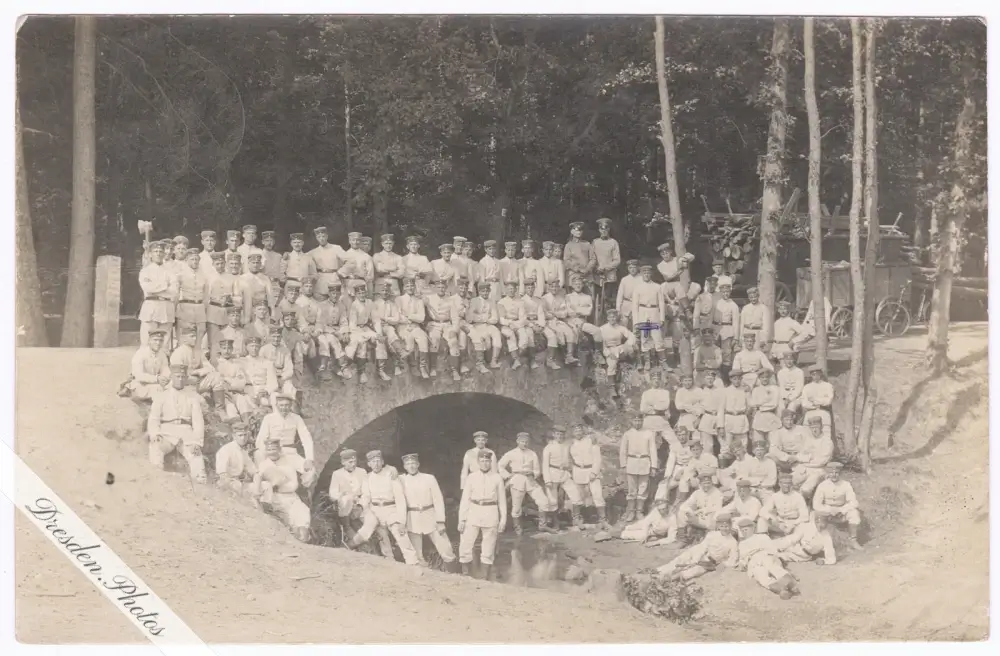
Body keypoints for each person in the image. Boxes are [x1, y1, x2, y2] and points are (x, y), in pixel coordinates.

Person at [357, 450, 421, 564]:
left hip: (391, 509)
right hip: (376, 510)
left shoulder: (391, 474)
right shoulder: (367, 477)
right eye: (373, 462)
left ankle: (412, 561)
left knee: (400, 533)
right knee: (382, 536)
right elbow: (366, 496)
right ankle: (389, 561)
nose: (376, 464)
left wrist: (402, 520)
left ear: (382, 462)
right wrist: (361, 506)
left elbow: (400, 498)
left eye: (378, 461)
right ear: (369, 464)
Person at [147, 364, 207, 483]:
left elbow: (198, 421)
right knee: (156, 447)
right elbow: (154, 418)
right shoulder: (162, 395)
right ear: (171, 377)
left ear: (186, 378)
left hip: (186, 432)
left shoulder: (192, 397)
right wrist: (155, 433)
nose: (180, 379)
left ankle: (200, 480)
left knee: (195, 454)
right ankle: (156, 477)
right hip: (166, 431)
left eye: (183, 377)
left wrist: (197, 442)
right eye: (177, 376)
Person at [400, 453, 456, 570]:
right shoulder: (401, 480)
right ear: (404, 467)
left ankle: (453, 571)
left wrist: (440, 521)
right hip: (412, 517)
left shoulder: (429, 478)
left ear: (418, 464)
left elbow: (438, 500)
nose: (411, 466)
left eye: (413, 463)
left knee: (445, 546)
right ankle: (422, 574)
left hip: (430, 514)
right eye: (408, 464)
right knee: (417, 552)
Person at [458, 449, 508, 579]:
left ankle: (485, 578)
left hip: (490, 511)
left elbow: (502, 501)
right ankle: (466, 575)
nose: (485, 463)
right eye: (482, 461)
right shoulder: (471, 477)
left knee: (489, 545)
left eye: (487, 461)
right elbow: (465, 499)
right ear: (478, 462)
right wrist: (461, 519)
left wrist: (503, 519)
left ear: (491, 462)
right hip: (474, 510)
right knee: (466, 543)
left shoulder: (497, 478)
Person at [252, 437, 312, 542]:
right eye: (269, 450)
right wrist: (258, 492)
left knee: (303, 515)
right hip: (277, 498)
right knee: (288, 522)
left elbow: (307, 468)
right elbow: (258, 478)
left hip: (292, 496)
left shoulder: (289, 460)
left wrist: (307, 474)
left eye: (274, 449)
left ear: (279, 449)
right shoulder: (264, 465)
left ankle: (304, 541)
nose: (271, 452)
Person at [655, 513, 738, 582]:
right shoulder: (712, 535)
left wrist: (724, 564)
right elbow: (703, 547)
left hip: (711, 564)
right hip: (702, 555)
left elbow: (733, 559)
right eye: (722, 526)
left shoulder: (732, 542)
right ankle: (660, 571)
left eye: (726, 526)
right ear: (718, 526)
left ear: (730, 525)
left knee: (694, 571)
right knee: (683, 558)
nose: (724, 529)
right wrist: (697, 559)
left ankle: (670, 579)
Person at [253, 392, 316, 482]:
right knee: (259, 456)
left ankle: (301, 488)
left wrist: (309, 459)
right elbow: (261, 440)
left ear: (290, 406)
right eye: (281, 405)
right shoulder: (269, 418)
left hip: (290, 453)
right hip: (273, 453)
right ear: (276, 405)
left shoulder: (296, 418)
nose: (284, 408)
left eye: (287, 405)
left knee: (311, 470)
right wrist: (268, 455)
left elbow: (306, 438)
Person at [498, 432, 550, 535]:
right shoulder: (511, 453)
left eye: (526, 442)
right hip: (517, 480)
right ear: (517, 441)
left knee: (543, 501)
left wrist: (533, 474)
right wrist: (507, 475)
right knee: (516, 506)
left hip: (530, 480)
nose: (524, 444)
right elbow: (500, 465)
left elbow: (537, 470)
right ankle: (518, 528)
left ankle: (542, 525)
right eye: (522, 441)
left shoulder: (532, 453)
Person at [734, 517, 800, 600]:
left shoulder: (762, 537)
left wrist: (772, 556)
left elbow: (772, 549)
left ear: (753, 528)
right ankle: (781, 590)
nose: (744, 532)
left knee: (773, 567)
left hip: (765, 555)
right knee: (760, 575)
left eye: (746, 530)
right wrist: (742, 564)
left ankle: (791, 584)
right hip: (753, 561)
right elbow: (743, 558)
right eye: (742, 531)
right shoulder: (742, 544)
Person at [811, 461, 863, 550]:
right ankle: (821, 542)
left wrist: (842, 510)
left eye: (836, 473)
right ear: (828, 473)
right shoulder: (822, 485)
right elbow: (816, 504)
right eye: (831, 473)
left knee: (854, 513)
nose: (834, 475)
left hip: (840, 513)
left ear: (840, 474)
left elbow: (854, 502)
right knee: (815, 514)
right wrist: (829, 510)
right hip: (827, 514)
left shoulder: (846, 484)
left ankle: (853, 541)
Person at [170, 325, 225, 407]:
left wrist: (197, 372)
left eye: (195, 336)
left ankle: (220, 408)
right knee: (201, 404)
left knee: (217, 377)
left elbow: (210, 368)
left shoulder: (197, 351)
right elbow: (177, 377)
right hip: (184, 385)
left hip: (197, 381)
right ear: (184, 338)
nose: (195, 338)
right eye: (191, 336)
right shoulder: (178, 353)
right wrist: (194, 375)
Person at [138, 241, 178, 349]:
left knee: (164, 344)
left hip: (166, 307)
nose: (158, 253)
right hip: (151, 306)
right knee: (147, 342)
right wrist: (165, 285)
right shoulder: (145, 271)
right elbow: (147, 288)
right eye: (155, 251)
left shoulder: (170, 272)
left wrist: (156, 286)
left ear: (164, 254)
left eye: (161, 251)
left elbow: (174, 291)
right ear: (150, 254)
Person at [619, 414, 659, 522]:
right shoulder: (627, 434)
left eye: (639, 420)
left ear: (642, 421)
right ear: (632, 421)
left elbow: (652, 450)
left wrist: (653, 466)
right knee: (631, 489)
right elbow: (623, 451)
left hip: (644, 462)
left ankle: (639, 511)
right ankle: (631, 511)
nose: (637, 423)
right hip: (631, 462)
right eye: (635, 420)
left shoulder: (648, 433)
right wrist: (623, 465)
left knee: (643, 488)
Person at [542, 425, 583, 528]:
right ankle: (555, 522)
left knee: (576, 495)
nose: (560, 436)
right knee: (553, 500)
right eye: (557, 434)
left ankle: (576, 519)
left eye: (561, 434)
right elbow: (545, 465)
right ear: (554, 435)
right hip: (552, 473)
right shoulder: (548, 447)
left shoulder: (566, 446)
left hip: (564, 474)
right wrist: (547, 480)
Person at [570, 424, 609, 529]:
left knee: (597, 495)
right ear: (572, 433)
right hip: (578, 471)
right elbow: (570, 459)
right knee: (577, 496)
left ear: (583, 431)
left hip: (591, 470)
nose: (578, 433)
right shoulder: (571, 444)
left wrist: (594, 472)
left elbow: (597, 458)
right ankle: (577, 519)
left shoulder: (591, 441)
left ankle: (603, 520)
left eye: (579, 430)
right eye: (575, 431)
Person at [425, 278, 462, 379]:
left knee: (453, 342)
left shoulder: (450, 300)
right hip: (434, 324)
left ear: (446, 288)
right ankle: (433, 368)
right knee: (434, 340)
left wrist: (454, 330)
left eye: (443, 287)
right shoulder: (429, 298)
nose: (441, 289)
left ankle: (454, 370)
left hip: (447, 324)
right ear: (435, 288)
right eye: (439, 287)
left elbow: (455, 317)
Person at [372, 280, 409, 378]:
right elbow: (374, 318)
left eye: (386, 291)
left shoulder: (392, 304)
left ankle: (399, 354)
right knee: (381, 343)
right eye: (383, 290)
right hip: (375, 327)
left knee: (391, 332)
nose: (385, 292)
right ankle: (381, 369)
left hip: (387, 326)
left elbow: (396, 319)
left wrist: (386, 319)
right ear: (379, 292)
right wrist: (381, 323)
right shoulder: (374, 304)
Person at [395, 277, 431, 378]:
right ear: (404, 288)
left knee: (423, 339)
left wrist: (409, 316)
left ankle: (422, 366)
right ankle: (412, 366)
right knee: (408, 340)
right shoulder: (399, 299)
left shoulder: (418, 301)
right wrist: (408, 320)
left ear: (414, 287)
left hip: (415, 326)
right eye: (407, 286)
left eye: (412, 286)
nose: (410, 288)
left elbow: (421, 318)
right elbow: (398, 316)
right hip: (403, 326)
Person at [315, 283, 352, 380]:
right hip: (324, 330)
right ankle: (338, 366)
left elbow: (343, 321)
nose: (335, 296)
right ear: (329, 294)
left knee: (346, 340)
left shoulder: (341, 306)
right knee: (332, 341)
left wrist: (345, 332)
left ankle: (338, 367)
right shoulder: (322, 306)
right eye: (333, 293)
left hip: (337, 329)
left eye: (337, 294)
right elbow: (320, 322)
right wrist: (334, 332)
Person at [633, 264, 666, 371]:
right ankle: (647, 362)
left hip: (654, 313)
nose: (646, 275)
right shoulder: (638, 288)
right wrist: (636, 321)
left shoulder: (657, 287)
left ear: (651, 274)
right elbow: (635, 305)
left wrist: (662, 318)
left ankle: (663, 362)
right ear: (641, 274)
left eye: (648, 273)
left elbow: (661, 303)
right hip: (643, 313)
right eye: (644, 273)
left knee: (658, 338)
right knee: (645, 337)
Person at [757, 471, 809, 536]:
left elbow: (805, 516)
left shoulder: (798, 496)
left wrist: (793, 524)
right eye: (784, 483)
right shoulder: (775, 496)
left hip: (794, 523)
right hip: (780, 523)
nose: (787, 485)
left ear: (792, 484)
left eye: (789, 483)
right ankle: (762, 539)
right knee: (762, 520)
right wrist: (772, 519)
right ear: (779, 484)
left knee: (804, 526)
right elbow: (763, 511)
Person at [260, 325, 302, 404]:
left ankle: (290, 408)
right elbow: (260, 367)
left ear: (281, 337)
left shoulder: (285, 350)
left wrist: (282, 378)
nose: (276, 339)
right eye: (274, 336)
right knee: (269, 393)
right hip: (268, 378)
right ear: (269, 336)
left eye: (278, 337)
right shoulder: (264, 349)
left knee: (289, 388)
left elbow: (289, 368)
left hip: (281, 377)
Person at [794, 416, 835, 498]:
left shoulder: (827, 441)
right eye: (812, 428)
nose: (814, 430)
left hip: (819, 471)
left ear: (821, 427)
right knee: (788, 482)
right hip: (804, 469)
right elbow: (799, 455)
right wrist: (809, 458)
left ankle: (805, 502)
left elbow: (821, 461)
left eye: (816, 427)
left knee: (805, 489)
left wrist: (805, 460)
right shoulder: (808, 440)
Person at [125, 329, 171, 400]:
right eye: (155, 340)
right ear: (149, 341)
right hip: (140, 385)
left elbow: (165, 370)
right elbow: (138, 376)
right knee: (160, 391)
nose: (158, 343)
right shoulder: (140, 354)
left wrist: (164, 378)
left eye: (161, 340)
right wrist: (157, 379)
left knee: (173, 387)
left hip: (155, 384)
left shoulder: (162, 354)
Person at [468, 281, 503, 371]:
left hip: (488, 324)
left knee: (496, 333)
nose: (485, 293)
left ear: (489, 291)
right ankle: (480, 362)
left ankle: (494, 361)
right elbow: (470, 317)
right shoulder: (474, 301)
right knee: (482, 338)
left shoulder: (492, 302)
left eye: (487, 291)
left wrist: (485, 319)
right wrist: (484, 318)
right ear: (479, 291)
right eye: (483, 291)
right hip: (477, 325)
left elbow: (495, 318)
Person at [215, 421, 257, 495]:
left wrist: (257, 483)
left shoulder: (243, 452)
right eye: (240, 435)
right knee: (239, 487)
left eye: (245, 435)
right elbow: (222, 475)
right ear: (234, 436)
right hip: (227, 484)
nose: (243, 438)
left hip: (240, 483)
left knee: (265, 485)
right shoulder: (226, 450)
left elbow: (253, 471)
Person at [542, 279, 578, 365]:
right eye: (552, 287)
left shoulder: (561, 298)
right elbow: (544, 313)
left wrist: (555, 313)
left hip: (559, 320)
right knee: (559, 334)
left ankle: (569, 356)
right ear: (549, 287)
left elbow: (564, 313)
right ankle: (553, 358)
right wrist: (553, 315)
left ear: (558, 287)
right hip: (548, 322)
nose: (554, 288)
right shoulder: (544, 298)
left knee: (570, 332)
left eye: (556, 287)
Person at [565, 274, 602, 355]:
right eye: (576, 284)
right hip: (571, 322)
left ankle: (598, 353)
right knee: (574, 333)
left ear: (582, 285)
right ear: (572, 286)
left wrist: (576, 309)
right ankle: (571, 355)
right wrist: (581, 309)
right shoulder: (568, 297)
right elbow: (569, 311)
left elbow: (588, 312)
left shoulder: (587, 297)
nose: (578, 286)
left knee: (597, 331)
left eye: (579, 284)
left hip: (582, 321)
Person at [717, 367, 750, 457]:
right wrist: (721, 426)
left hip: (741, 420)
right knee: (726, 448)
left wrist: (749, 391)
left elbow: (750, 406)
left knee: (743, 446)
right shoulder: (725, 391)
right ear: (731, 379)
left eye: (739, 379)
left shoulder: (745, 391)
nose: (737, 381)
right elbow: (721, 409)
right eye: (734, 379)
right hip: (729, 420)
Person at [214, 338, 249, 420]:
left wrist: (227, 381)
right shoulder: (215, 364)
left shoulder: (236, 364)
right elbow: (215, 381)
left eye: (229, 348)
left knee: (242, 400)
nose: (226, 351)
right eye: (224, 348)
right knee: (230, 408)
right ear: (220, 349)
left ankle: (247, 423)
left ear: (232, 349)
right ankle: (235, 423)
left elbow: (241, 383)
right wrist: (231, 381)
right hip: (221, 395)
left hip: (234, 392)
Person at [598, 308, 637, 380]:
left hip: (620, 348)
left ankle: (634, 363)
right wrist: (608, 354)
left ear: (616, 318)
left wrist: (627, 344)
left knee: (631, 347)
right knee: (612, 365)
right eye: (610, 317)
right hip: (609, 349)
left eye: (614, 317)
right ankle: (611, 384)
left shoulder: (621, 328)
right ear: (607, 318)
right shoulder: (602, 329)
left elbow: (631, 336)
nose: (612, 319)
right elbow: (602, 345)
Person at [309, 226, 347, 299]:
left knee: (335, 302)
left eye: (323, 236)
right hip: (320, 282)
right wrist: (288, 255)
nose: (321, 239)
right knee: (321, 302)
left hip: (334, 279)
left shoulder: (336, 248)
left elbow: (350, 261)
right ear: (316, 238)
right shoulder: (313, 252)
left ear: (327, 236)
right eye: (319, 237)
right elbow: (301, 257)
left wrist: (341, 272)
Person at [496, 280, 527, 369]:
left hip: (518, 323)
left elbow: (523, 317)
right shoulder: (501, 302)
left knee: (524, 338)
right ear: (506, 289)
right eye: (509, 289)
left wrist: (516, 325)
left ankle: (517, 357)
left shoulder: (520, 301)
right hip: (506, 324)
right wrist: (509, 324)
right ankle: (515, 359)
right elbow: (501, 318)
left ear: (516, 290)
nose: (511, 291)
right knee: (510, 335)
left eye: (513, 289)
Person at [593, 217, 621, 315]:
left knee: (608, 301)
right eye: (602, 228)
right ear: (599, 230)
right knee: (597, 301)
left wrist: (606, 268)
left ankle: (609, 320)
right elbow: (592, 257)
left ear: (609, 229)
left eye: (606, 228)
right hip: (597, 276)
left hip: (609, 276)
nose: (604, 231)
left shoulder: (613, 242)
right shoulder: (595, 242)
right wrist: (596, 268)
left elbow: (617, 260)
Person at [712, 276, 740, 374]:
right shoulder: (716, 303)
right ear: (720, 292)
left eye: (727, 292)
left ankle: (725, 376)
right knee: (715, 352)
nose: (725, 294)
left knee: (726, 353)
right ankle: (716, 374)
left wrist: (736, 337)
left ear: (730, 292)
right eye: (723, 292)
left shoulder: (733, 305)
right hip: (716, 330)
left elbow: (736, 322)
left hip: (727, 331)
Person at [564, 221, 597, 300]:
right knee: (573, 299)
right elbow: (566, 261)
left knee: (590, 298)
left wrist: (587, 269)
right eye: (576, 230)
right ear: (572, 231)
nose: (579, 232)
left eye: (580, 230)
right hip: (574, 275)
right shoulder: (568, 245)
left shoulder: (587, 244)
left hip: (587, 275)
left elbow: (593, 258)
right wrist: (577, 269)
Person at [240, 253, 274, 325]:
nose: (255, 265)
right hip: (246, 310)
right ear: (248, 264)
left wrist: (273, 315)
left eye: (257, 263)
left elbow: (270, 298)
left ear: (260, 264)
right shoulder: (242, 278)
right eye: (253, 263)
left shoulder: (265, 278)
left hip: (261, 311)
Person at [801, 365, 835, 436]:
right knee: (807, 433)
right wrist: (821, 401)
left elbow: (828, 401)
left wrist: (814, 400)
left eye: (817, 374)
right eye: (813, 374)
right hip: (811, 411)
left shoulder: (828, 386)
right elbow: (804, 403)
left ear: (821, 374)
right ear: (811, 375)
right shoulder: (807, 387)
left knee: (825, 433)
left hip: (823, 411)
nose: (816, 376)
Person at [639, 370, 673, 441]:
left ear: (660, 380)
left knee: (673, 441)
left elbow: (665, 406)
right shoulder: (646, 393)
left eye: (658, 379)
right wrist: (657, 407)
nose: (656, 381)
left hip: (662, 419)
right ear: (651, 381)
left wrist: (651, 406)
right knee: (646, 442)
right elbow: (643, 409)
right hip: (649, 420)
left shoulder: (665, 392)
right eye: (654, 379)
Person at [749, 368, 781, 443]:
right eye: (762, 377)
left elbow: (774, 404)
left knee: (773, 443)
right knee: (758, 442)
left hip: (771, 416)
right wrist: (763, 404)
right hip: (758, 417)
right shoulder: (756, 390)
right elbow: (753, 404)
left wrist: (760, 406)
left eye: (766, 377)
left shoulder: (775, 388)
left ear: (769, 378)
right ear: (759, 378)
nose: (765, 379)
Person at [674, 371, 705, 437]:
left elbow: (703, 405)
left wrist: (699, 419)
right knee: (684, 437)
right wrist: (693, 406)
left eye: (689, 380)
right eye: (685, 381)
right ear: (682, 381)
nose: (687, 383)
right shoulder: (680, 391)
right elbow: (678, 406)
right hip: (684, 417)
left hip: (696, 418)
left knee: (696, 438)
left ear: (692, 381)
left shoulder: (698, 390)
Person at [776, 351, 805, 416]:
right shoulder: (781, 372)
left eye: (791, 359)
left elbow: (799, 388)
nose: (789, 362)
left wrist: (790, 399)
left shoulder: (799, 372)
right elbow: (781, 387)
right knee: (780, 407)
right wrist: (785, 398)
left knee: (792, 406)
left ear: (794, 360)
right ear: (784, 360)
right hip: (784, 396)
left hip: (796, 396)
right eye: (787, 359)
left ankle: (790, 422)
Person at [616, 259, 640, 334]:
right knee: (623, 326)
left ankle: (636, 339)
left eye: (634, 267)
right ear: (628, 269)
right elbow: (620, 295)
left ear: (637, 268)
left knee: (636, 326)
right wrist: (618, 308)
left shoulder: (641, 278)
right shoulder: (624, 279)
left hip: (638, 304)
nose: (632, 269)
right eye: (630, 268)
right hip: (626, 304)